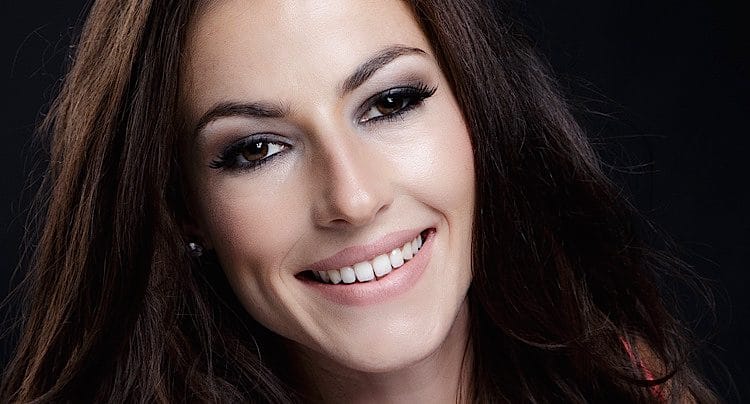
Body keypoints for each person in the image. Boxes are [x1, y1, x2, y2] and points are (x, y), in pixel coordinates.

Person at [0, 0, 719, 402]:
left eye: (391, 102)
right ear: (183, 206)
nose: (353, 197)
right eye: (257, 149)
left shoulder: (632, 383)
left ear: (476, 110)